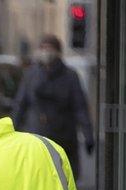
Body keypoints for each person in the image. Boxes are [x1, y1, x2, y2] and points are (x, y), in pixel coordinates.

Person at [12, 35, 94, 181]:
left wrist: (88, 135)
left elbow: (80, 107)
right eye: (43, 49)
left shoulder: (70, 76)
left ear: (58, 52)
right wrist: (11, 132)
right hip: (36, 139)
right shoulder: (31, 75)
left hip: (63, 139)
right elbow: (20, 105)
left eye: (50, 49)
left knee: (63, 182)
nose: (46, 53)